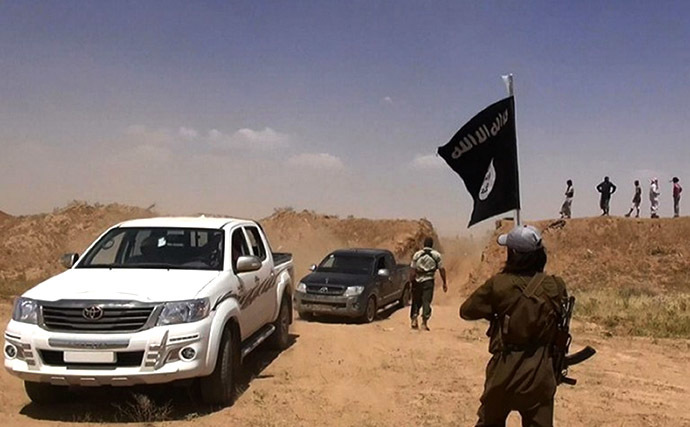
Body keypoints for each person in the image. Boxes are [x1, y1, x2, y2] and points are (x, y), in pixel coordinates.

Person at [460, 225, 568, 427]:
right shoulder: (556, 285)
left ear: (514, 254)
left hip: (506, 369)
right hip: (541, 371)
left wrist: (495, 311)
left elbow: (467, 311)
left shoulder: (499, 284)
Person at [409, 236, 447, 331]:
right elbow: (442, 270)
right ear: (432, 245)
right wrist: (444, 282)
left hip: (417, 280)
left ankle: (414, 319)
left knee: (416, 300)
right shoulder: (436, 255)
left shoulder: (417, 254)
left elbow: (413, 270)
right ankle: (424, 323)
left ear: (424, 244)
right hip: (429, 281)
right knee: (426, 301)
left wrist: (411, 281)